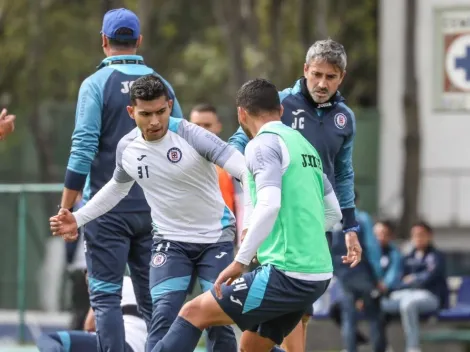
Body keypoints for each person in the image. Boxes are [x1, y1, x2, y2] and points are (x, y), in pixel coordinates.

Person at [148, 78, 361, 352]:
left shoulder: (261, 145)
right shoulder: (306, 147)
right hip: (317, 275)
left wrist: (240, 261)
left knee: (194, 312)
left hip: (287, 274)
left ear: (241, 114)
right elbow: (333, 213)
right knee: (251, 347)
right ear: (281, 111)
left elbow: (269, 204)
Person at [50, 75, 242, 352]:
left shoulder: (191, 134)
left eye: (161, 112)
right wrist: (77, 217)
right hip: (170, 242)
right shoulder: (128, 147)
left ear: (170, 106)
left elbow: (241, 168)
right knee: (162, 317)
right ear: (131, 112)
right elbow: (116, 188)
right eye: (146, 114)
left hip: (215, 238)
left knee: (218, 319)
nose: (155, 121)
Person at [57, 8, 183, 352]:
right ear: (139, 41)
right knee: (153, 298)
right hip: (155, 210)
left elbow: (82, 149)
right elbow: (182, 142)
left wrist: (66, 208)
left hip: (105, 208)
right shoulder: (162, 85)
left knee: (106, 296)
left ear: (103, 42)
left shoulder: (96, 84)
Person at [228, 38, 360, 351]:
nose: (322, 83)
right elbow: (237, 146)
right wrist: (254, 206)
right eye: (316, 74)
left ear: (342, 77)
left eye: (330, 77)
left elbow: (342, 174)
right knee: (280, 305)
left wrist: (351, 227)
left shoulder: (345, 118)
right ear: (305, 70)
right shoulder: (281, 103)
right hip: (277, 220)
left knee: (301, 309)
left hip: (316, 220)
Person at [330, 191, 388, 352]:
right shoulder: (361, 218)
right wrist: (378, 276)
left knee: (348, 318)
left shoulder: (333, 221)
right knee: (374, 317)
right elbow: (371, 248)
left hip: (343, 277)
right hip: (363, 275)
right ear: (356, 200)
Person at [381, 221, 448, 352]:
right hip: (407, 294)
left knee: (408, 304)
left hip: (430, 296)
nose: (418, 238)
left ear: (429, 236)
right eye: (415, 235)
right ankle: (383, 346)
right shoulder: (407, 257)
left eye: (421, 234)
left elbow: (430, 276)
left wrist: (413, 278)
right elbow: (399, 279)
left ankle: (413, 347)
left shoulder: (436, 256)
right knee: (381, 304)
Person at [37, 276, 147, 352]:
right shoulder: (150, 290)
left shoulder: (111, 284)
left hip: (120, 344)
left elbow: (89, 326)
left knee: (49, 338)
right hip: (141, 347)